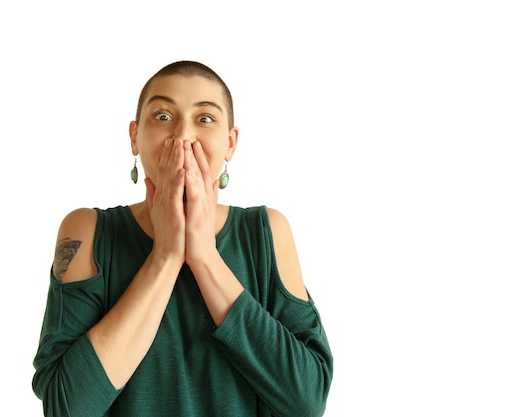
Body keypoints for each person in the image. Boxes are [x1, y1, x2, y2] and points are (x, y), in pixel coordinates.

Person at [32, 60, 333, 417]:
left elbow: (307, 401)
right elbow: (67, 408)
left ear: (230, 143)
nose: (182, 136)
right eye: (162, 116)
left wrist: (205, 256)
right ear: (134, 136)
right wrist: (165, 257)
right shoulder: (87, 230)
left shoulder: (267, 231)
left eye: (205, 119)